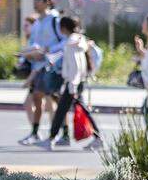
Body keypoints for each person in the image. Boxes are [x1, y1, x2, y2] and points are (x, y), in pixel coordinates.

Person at [38, 16, 102, 150]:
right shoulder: (79, 40)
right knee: (78, 109)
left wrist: (72, 84)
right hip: (77, 81)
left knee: (61, 110)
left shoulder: (71, 43)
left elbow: (75, 65)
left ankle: (51, 138)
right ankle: (98, 137)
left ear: (63, 28)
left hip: (73, 82)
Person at [17, 0, 65, 145]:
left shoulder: (55, 20)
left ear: (47, 2)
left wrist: (46, 50)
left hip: (53, 66)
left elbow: (65, 41)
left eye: (38, 0)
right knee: (37, 98)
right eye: (34, 0)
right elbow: (35, 44)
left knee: (56, 100)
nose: (35, 3)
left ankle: (64, 134)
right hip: (39, 67)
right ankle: (36, 133)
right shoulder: (37, 23)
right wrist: (25, 55)